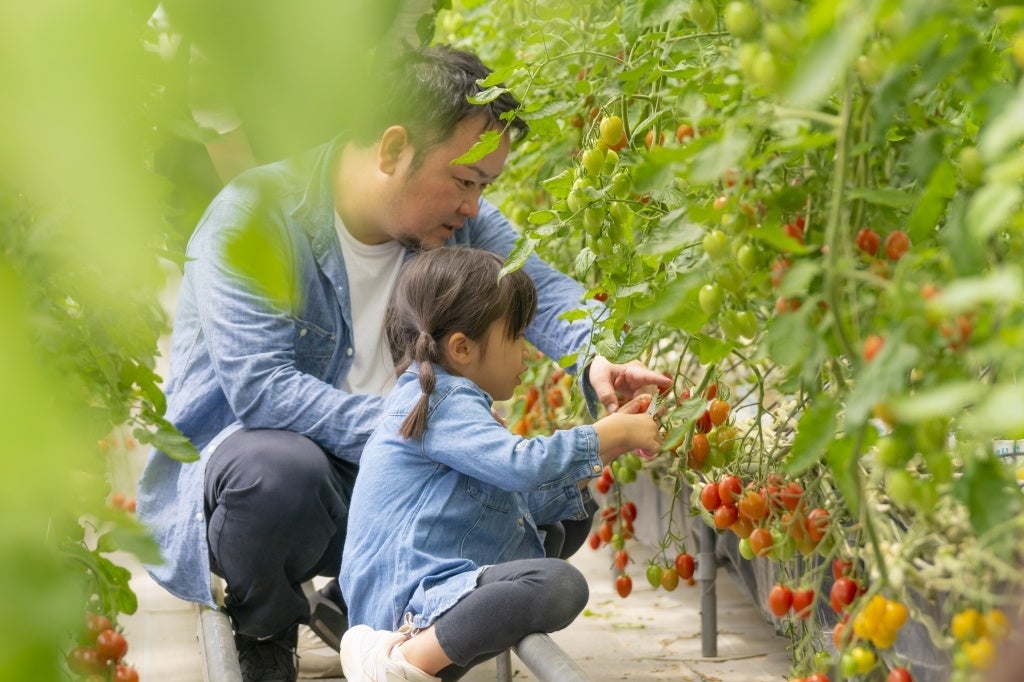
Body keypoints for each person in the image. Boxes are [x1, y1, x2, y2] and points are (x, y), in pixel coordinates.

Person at [136, 44, 671, 682]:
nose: (474, 205)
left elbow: (539, 287)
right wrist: (425, 427)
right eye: (466, 180)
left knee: (551, 492)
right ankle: (266, 622)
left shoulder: (454, 220)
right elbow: (264, 390)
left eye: (483, 187)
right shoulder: (252, 222)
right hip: (282, 480)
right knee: (281, 473)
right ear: (392, 150)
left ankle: (384, 612)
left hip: (391, 479)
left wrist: (597, 356)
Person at [339, 247, 662, 682]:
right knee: (561, 584)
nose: (526, 354)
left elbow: (520, 495)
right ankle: (400, 661)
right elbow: (520, 467)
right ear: (462, 348)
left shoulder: (442, 394)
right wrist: (612, 434)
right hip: (407, 598)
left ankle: (428, 653)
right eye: (517, 337)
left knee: (572, 515)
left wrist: (603, 449)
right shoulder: (441, 400)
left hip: (431, 577)